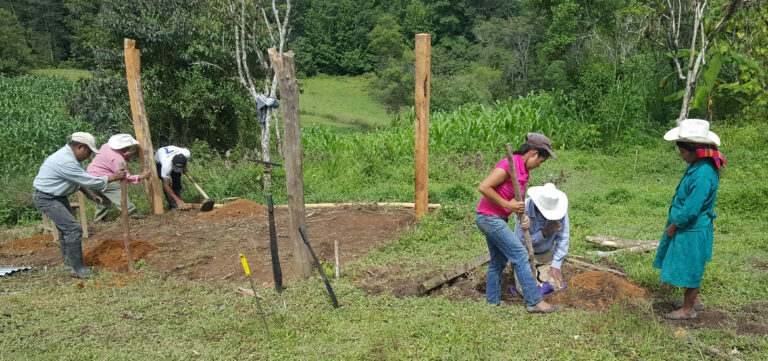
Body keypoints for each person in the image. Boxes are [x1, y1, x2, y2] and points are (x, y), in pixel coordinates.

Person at [475, 133, 561, 313]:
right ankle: (534, 301)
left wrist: (521, 215)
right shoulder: (509, 165)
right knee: (520, 255)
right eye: (540, 161)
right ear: (533, 154)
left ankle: (492, 302)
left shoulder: (524, 171)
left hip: (498, 218)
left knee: (498, 261)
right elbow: (484, 187)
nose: (539, 165)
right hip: (488, 217)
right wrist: (507, 204)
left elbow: (516, 199)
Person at [655, 118, 726, 320]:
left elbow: (693, 208)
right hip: (689, 227)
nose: (681, 156)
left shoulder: (703, 173)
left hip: (692, 228)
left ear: (696, 150)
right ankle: (695, 301)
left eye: (683, 152)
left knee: (691, 267)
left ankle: (688, 309)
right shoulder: (698, 165)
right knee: (689, 263)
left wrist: (674, 225)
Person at [33, 132, 126, 277]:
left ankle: (69, 264)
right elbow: (89, 180)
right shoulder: (66, 161)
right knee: (73, 229)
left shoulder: (74, 158)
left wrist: (91, 195)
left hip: (58, 195)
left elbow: (78, 180)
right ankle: (78, 269)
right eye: (88, 152)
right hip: (47, 197)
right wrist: (113, 177)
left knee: (66, 230)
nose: (89, 155)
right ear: (80, 147)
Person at [512, 183, 569, 294]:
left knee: (556, 285)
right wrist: (544, 233)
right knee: (526, 289)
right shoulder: (523, 211)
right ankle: (531, 287)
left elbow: (563, 238)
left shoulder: (559, 210)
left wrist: (556, 265)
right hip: (525, 254)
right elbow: (520, 243)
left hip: (547, 254)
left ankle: (540, 287)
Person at [86, 134, 151, 221]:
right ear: (123, 147)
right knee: (118, 192)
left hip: (89, 176)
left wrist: (133, 153)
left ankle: (98, 220)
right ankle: (131, 212)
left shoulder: (106, 146)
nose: (130, 148)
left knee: (103, 201)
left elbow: (118, 154)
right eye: (129, 147)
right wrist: (142, 176)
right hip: (101, 178)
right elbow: (125, 176)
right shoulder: (117, 159)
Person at [154, 145, 191, 210]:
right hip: (159, 162)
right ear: (172, 164)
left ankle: (179, 201)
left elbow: (184, 160)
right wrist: (177, 200)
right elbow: (166, 185)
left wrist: (185, 168)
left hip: (174, 154)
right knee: (166, 183)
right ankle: (174, 205)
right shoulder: (166, 166)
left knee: (177, 179)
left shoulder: (186, 153)